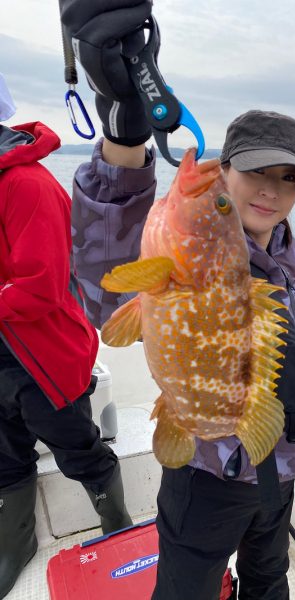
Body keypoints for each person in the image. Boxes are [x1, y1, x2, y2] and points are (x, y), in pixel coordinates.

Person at [61, 2, 295, 598]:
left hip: (280, 480)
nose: (272, 192)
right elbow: (105, 276)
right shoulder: (187, 259)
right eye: (254, 175)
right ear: (225, 174)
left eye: (289, 178)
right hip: (208, 479)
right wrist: (124, 137)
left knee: (269, 582)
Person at [0, 73, 133, 599]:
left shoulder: (26, 185)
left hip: (45, 359)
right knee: (5, 454)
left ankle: (117, 521)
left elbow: (43, 287)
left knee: (79, 448)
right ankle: (16, 544)